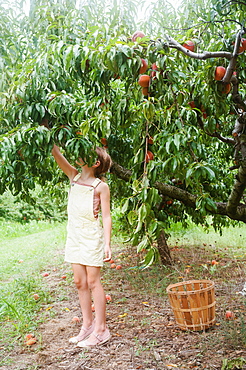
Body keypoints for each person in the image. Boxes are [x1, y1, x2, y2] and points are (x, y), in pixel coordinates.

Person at [51, 144, 112, 348]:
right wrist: (48, 131)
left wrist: (107, 244)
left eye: (86, 155)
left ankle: (101, 329)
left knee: (93, 282)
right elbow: (56, 153)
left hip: (91, 237)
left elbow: (106, 216)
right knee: (79, 282)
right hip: (74, 236)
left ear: (95, 163)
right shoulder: (74, 176)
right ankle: (87, 325)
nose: (79, 155)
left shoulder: (100, 187)